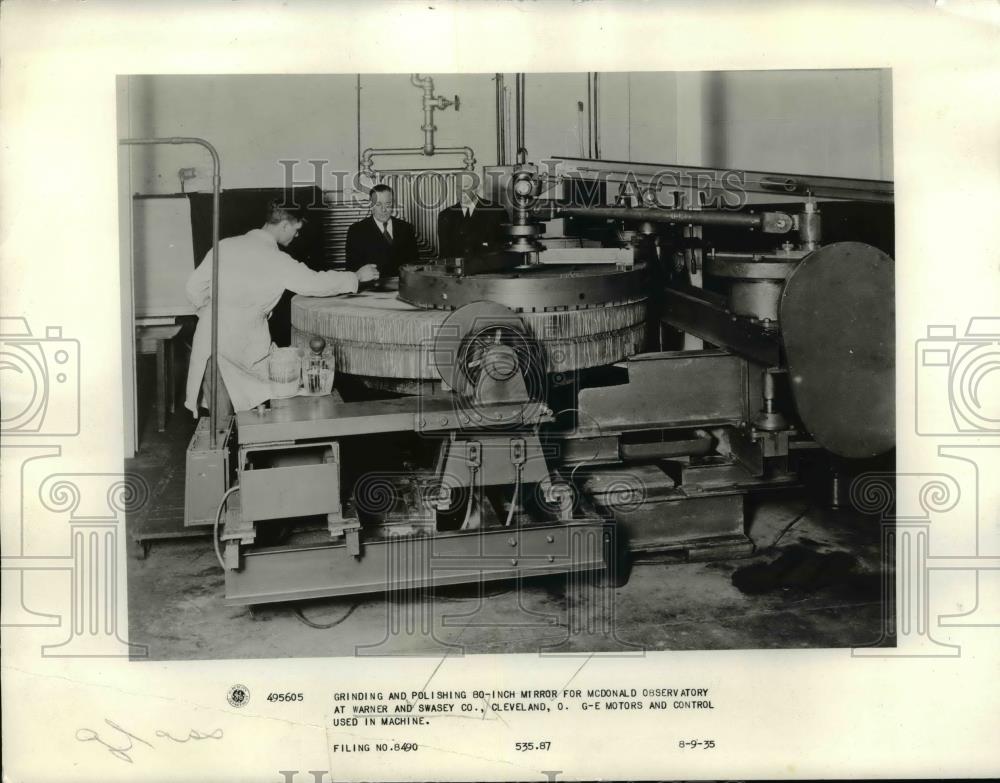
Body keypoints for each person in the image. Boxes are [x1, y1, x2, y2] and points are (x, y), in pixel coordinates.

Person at [184, 200, 379, 415]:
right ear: (285, 225)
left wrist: (212, 313)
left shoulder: (224, 245)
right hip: (244, 342)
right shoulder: (277, 259)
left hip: (209, 335)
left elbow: (193, 288)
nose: (296, 236)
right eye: (296, 230)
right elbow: (313, 283)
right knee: (247, 405)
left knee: (220, 414)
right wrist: (356, 276)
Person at [345, 184, 419, 278]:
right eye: (378, 204)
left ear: (393, 203)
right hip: (370, 289)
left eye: (388, 204)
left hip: (402, 286)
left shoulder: (406, 228)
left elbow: (415, 265)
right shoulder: (356, 231)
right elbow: (352, 271)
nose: (383, 209)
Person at [437, 171, 508, 258]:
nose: (461, 191)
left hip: (488, 270)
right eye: (458, 187)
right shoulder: (445, 215)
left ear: (476, 189)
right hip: (456, 270)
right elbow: (444, 255)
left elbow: (504, 250)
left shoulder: (497, 211)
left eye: (466, 187)